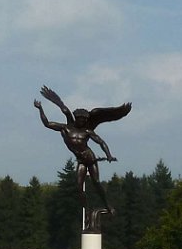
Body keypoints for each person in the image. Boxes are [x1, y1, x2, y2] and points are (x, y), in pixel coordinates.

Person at [34, 85, 131, 215]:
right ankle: (87, 211)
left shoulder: (87, 131)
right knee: (79, 187)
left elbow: (101, 142)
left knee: (96, 183)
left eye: (85, 120)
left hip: (90, 158)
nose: (83, 122)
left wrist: (108, 155)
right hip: (81, 160)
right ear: (77, 118)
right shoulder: (65, 128)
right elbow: (47, 123)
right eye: (81, 119)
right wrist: (41, 109)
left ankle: (107, 205)